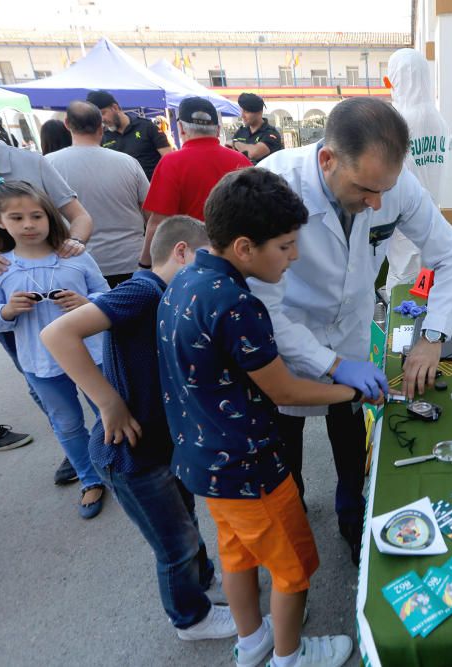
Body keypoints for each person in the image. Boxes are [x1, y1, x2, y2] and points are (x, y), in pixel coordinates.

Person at [158, 168, 364, 667]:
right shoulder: (238, 305)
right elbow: (285, 389)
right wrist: (353, 390)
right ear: (246, 247)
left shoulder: (187, 278)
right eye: (287, 246)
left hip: (203, 460)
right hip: (249, 467)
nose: (294, 257)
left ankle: (252, 642)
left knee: (237, 553)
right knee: (293, 569)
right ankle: (290, 657)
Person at [251, 97, 452, 564]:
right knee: (283, 449)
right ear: (327, 159)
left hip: (351, 330)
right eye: (365, 190)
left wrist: (432, 338)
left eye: (384, 191)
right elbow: (261, 308)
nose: (376, 203)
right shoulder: (273, 185)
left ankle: (354, 525)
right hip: (289, 337)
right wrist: (330, 364)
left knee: (351, 443)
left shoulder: (394, 186)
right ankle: (292, 536)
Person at [41, 215, 237, 641]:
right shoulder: (143, 290)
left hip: (163, 444)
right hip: (131, 453)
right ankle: (191, 619)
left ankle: (201, 581)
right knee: (174, 545)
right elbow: (58, 334)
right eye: (204, 263)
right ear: (182, 251)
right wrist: (107, 401)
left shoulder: (174, 295)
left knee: (184, 521)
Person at [0, 86, 93, 455]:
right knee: (44, 385)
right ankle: (78, 456)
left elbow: (78, 217)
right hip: (9, 302)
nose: (27, 224)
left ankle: (112, 452)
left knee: (98, 383)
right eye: (16, 218)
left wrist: (74, 245)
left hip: (65, 293)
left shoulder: (29, 162)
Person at [0, 179, 109, 518]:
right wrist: (7, 311)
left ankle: (119, 465)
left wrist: (86, 302)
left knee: (108, 411)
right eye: (17, 218)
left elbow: (107, 297)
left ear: (50, 216)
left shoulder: (75, 256)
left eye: (36, 216)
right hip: (41, 362)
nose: (28, 224)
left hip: (91, 354)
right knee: (66, 422)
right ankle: (89, 477)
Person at [139, 96, 251, 267]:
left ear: (181, 128)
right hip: (238, 259)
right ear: (218, 129)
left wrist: (144, 265)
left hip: (191, 261)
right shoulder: (242, 161)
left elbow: (157, 222)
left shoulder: (172, 163)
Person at [47, 101, 149, 288]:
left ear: (67, 124)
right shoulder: (128, 162)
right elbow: (149, 213)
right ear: (101, 126)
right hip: (131, 260)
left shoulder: (47, 165)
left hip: (76, 262)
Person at [383, 48, 451, 292]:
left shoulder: (398, 120)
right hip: (432, 213)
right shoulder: (438, 119)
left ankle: (398, 329)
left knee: (402, 282)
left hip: (404, 217)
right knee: (427, 283)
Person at [87, 90, 173, 180]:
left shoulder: (147, 127)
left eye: (103, 113)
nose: (101, 120)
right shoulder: (102, 137)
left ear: (115, 108)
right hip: (124, 191)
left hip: (154, 188)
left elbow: (169, 159)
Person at [231, 93, 283, 164]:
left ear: (259, 112)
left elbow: (253, 153)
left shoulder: (271, 134)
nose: (242, 115)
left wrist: (234, 143)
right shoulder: (241, 131)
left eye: (246, 112)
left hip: (263, 174)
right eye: (242, 111)